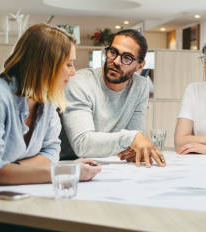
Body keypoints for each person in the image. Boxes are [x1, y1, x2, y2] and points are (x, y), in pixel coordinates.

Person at [0, 23, 101, 186]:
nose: (73, 73)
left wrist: (10, 170)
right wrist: (66, 171)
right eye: (68, 64)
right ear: (45, 65)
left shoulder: (46, 103)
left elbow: (51, 153)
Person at [59, 29, 165, 168]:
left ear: (140, 65)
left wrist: (133, 145)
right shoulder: (80, 82)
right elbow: (82, 144)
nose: (116, 61)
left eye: (127, 58)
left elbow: (135, 144)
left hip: (111, 168)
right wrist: (131, 139)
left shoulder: (140, 86)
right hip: (72, 167)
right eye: (113, 52)